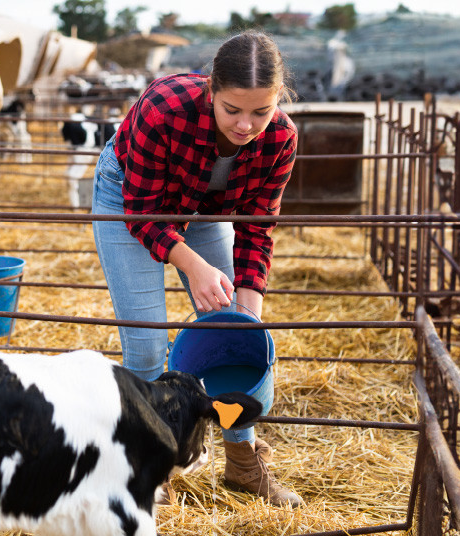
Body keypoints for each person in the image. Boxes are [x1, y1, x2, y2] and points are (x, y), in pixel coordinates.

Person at [90, 30, 303, 508]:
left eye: (261, 112)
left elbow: (256, 228)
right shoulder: (163, 108)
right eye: (233, 110)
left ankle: (243, 465)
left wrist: (249, 312)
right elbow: (142, 213)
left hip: (206, 208)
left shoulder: (282, 140)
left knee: (233, 335)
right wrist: (193, 264)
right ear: (210, 89)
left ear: (278, 101)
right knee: (146, 345)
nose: (247, 125)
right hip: (132, 198)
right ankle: (145, 467)